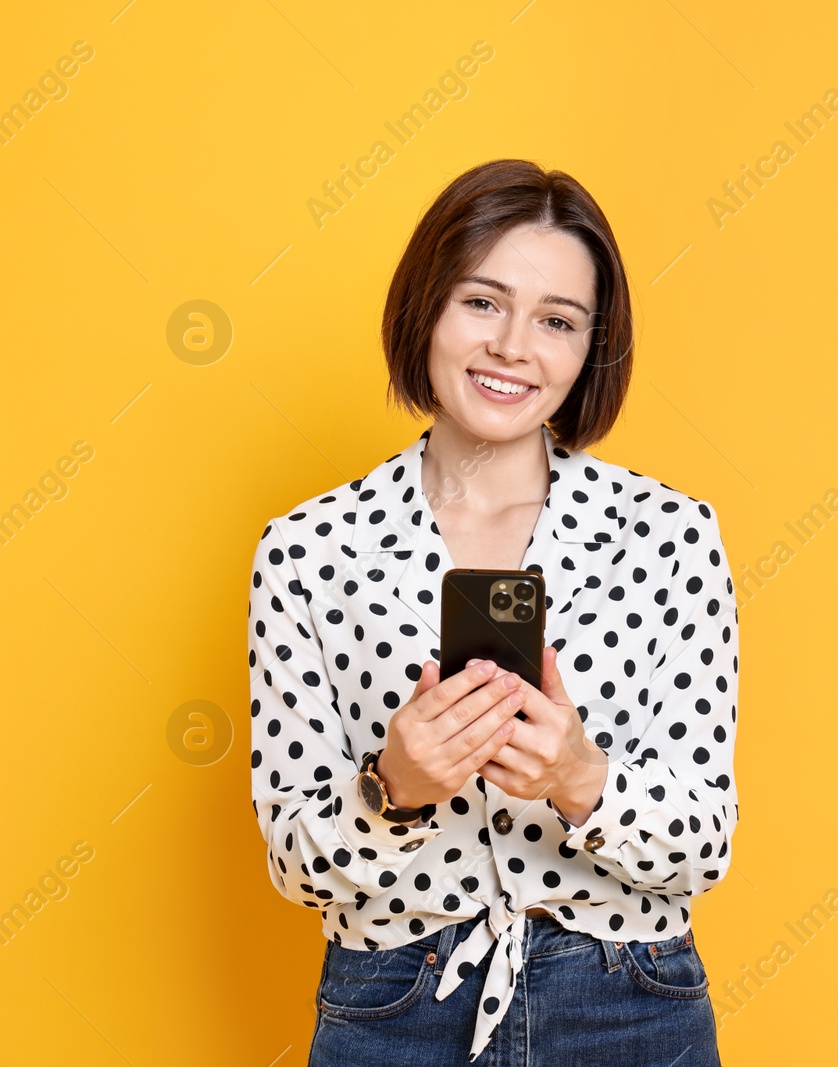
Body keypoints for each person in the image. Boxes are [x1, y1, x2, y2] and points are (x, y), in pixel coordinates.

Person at [247, 158, 738, 1065]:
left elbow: (703, 842)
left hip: (627, 1001)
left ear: (590, 348)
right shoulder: (307, 551)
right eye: (482, 302)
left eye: (557, 320)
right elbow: (293, 861)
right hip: (395, 1003)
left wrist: (581, 775)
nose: (514, 345)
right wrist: (390, 789)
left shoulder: (668, 535)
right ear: (426, 309)